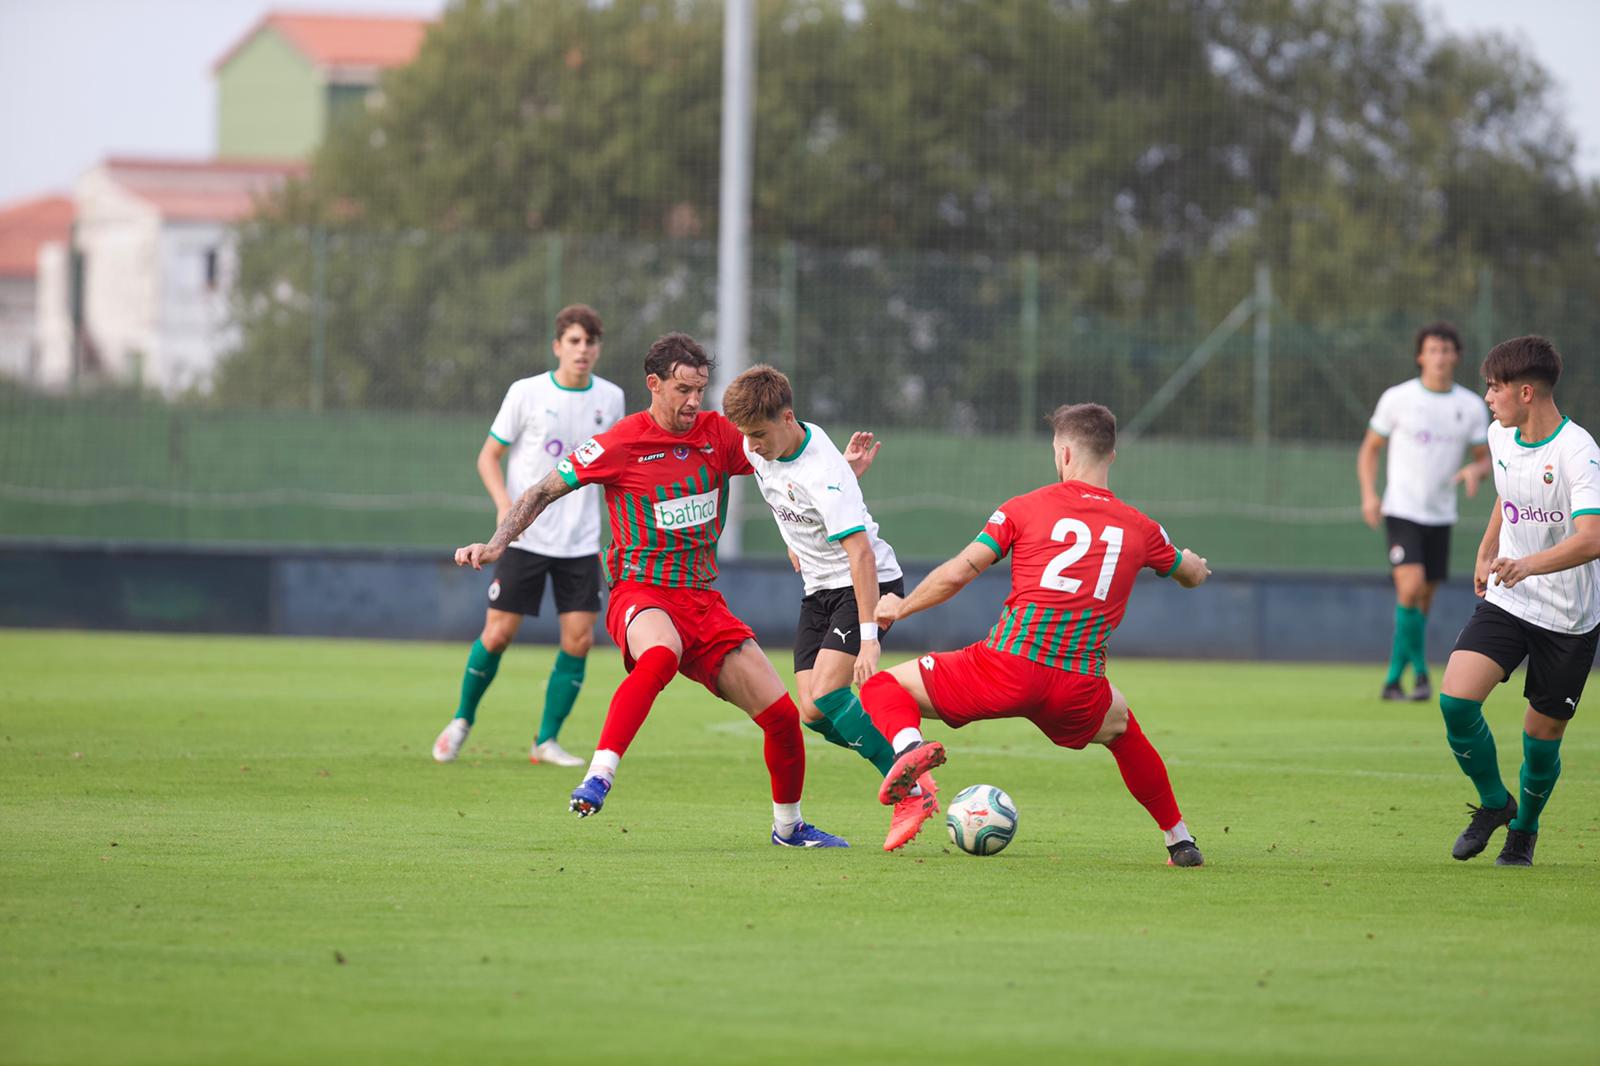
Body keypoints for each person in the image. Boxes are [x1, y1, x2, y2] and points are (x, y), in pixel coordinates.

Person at [455, 333, 868, 848]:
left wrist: (839, 474)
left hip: (704, 602)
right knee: (661, 653)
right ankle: (599, 775)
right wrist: (497, 544)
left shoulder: (720, 434)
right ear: (654, 384)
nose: (695, 401)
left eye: (700, 389)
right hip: (641, 592)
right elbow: (541, 490)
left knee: (783, 717)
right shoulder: (621, 442)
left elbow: (780, 457)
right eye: (682, 390)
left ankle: (788, 827)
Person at [863, 402, 1214, 866]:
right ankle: (1180, 841)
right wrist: (1195, 563)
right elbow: (1189, 574)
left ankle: (911, 755)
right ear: (1111, 455)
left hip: (1006, 666)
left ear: (1064, 453)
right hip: (1078, 684)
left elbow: (960, 571)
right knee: (1124, 731)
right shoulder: (1143, 528)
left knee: (883, 685)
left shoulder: (1024, 508)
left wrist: (900, 607)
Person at [721, 364, 937, 852]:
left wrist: (867, 640)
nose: (751, 446)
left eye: (758, 435)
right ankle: (903, 753)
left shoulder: (824, 471)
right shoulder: (765, 446)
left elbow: (860, 555)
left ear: (787, 417)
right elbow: (789, 494)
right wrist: (801, 538)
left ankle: (910, 788)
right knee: (815, 714)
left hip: (866, 582)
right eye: (746, 436)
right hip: (819, 586)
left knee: (830, 690)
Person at [433, 305, 626, 767]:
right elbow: (488, 457)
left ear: (598, 349)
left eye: (591, 342)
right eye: (575, 341)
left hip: (580, 542)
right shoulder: (527, 392)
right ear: (558, 346)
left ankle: (546, 740)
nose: (583, 350)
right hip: (526, 539)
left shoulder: (612, 399)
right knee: (498, 634)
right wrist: (505, 507)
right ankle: (461, 720)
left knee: (579, 640)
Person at [1436, 335, 1600, 867]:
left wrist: (1525, 563)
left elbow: (1593, 537)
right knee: (1456, 700)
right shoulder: (1499, 436)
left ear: (1525, 392)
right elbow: (1506, 499)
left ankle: (1524, 831)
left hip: (1569, 618)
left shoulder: (1579, 452)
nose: (1486, 397)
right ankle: (1493, 804)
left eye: (1494, 387)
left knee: (1541, 737)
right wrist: (1488, 551)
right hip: (1511, 600)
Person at [1357, 323, 1491, 702]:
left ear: (1457, 357)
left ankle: (1393, 679)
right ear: (1420, 356)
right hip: (1402, 509)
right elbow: (1369, 449)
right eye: (1433, 350)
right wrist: (1369, 494)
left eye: (1447, 350)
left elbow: (1485, 459)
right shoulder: (1397, 398)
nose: (1440, 357)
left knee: (1423, 599)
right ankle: (1419, 674)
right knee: (1411, 587)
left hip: (1441, 515)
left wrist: (1474, 471)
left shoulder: (1470, 406)